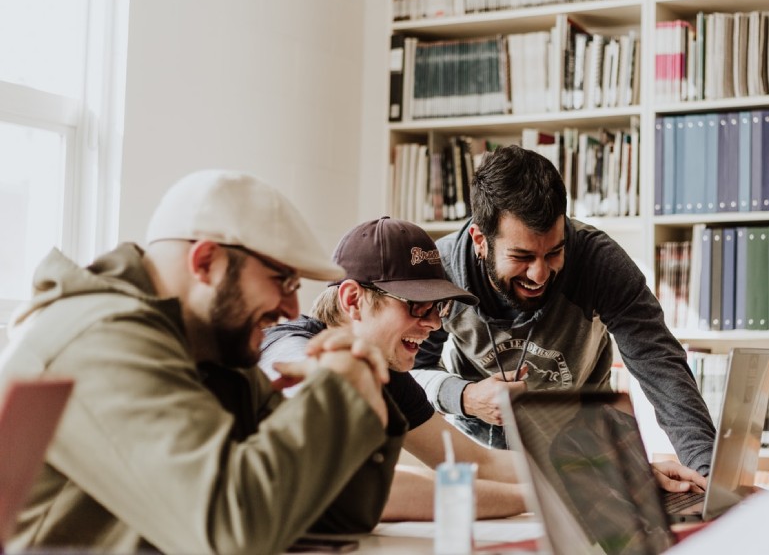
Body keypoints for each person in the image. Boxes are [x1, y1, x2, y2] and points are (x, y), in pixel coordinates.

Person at [0, 170, 405, 553]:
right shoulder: (101, 339)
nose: (292, 307)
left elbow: (335, 514)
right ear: (206, 262)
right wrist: (337, 393)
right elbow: (232, 530)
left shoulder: (215, 352)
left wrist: (363, 389)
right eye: (282, 280)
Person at [411, 145, 717, 483]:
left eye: (554, 252)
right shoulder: (440, 271)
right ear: (480, 240)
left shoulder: (598, 262)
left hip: (584, 451)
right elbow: (410, 373)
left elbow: (660, 364)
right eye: (522, 257)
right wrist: (464, 397)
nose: (540, 274)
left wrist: (708, 477)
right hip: (481, 459)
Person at [260, 216, 527, 521]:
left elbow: (474, 461)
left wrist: (572, 475)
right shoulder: (290, 351)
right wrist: (536, 498)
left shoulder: (386, 373)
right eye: (417, 305)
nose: (434, 324)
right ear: (353, 300)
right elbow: (360, 486)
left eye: (438, 307)